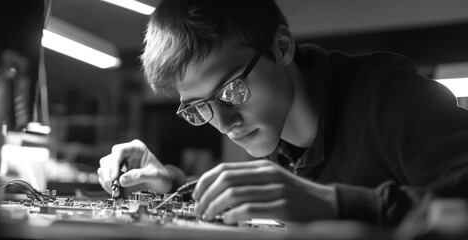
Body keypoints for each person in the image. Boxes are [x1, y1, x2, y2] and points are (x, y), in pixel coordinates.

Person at [98, 0, 468, 226]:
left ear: (282, 46)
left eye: (230, 90)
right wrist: (170, 188)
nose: (225, 124)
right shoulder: (275, 135)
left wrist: (333, 204)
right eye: (199, 108)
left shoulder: (388, 94)